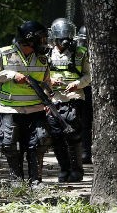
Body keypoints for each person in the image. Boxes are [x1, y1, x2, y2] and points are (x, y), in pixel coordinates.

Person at [0, 21, 51, 187]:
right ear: (30, 40)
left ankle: (36, 181)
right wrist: (11, 74)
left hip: (36, 108)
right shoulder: (3, 53)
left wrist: (50, 97)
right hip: (9, 107)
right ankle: (17, 180)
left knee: (39, 142)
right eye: (41, 39)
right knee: (10, 144)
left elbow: (46, 82)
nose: (45, 42)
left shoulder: (42, 58)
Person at [47, 18, 91, 182]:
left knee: (72, 134)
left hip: (74, 98)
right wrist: (49, 82)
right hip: (53, 100)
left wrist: (77, 84)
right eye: (61, 39)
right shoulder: (47, 54)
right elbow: (40, 76)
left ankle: (76, 171)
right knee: (56, 136)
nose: (65, 43)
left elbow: (89, 75)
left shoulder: (81, 53)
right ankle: (64, 169)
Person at [75, 25, 93, 164]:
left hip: (94, 89)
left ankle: (87, 152)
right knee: (85, 123)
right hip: (85, 89)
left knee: (88, 124)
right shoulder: (79, 53)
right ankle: (85, 152)